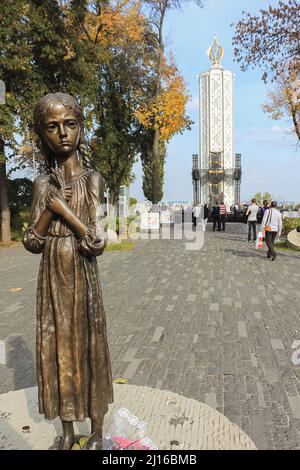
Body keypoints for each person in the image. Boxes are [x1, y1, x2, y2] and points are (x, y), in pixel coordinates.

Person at [22, 93, 113, 450]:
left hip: (81, 271)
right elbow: (31, 240)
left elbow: (95, 241)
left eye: (70, 124)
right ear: (42, 134)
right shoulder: (42, 185)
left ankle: (98, 429)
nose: (62, 133)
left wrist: (65, 212)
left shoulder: (93, 180)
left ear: (80, 128)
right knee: (57, 346)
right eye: (52, 126)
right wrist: (49, 210)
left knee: (90, 345)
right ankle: (68, 429)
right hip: (52, 276)